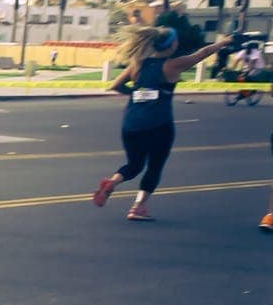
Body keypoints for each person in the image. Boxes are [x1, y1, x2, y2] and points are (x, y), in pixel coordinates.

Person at [92, 26, 226, 221]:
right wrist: (222, 43)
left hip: (131, 124)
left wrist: (137, 94)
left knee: (134, 165)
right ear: (172, 44)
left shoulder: (137, 64)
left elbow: (115, 85)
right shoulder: (172, 65)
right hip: (159, 125)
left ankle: (112, 182)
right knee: (155, 167)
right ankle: (138, 207)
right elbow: (201, 54)